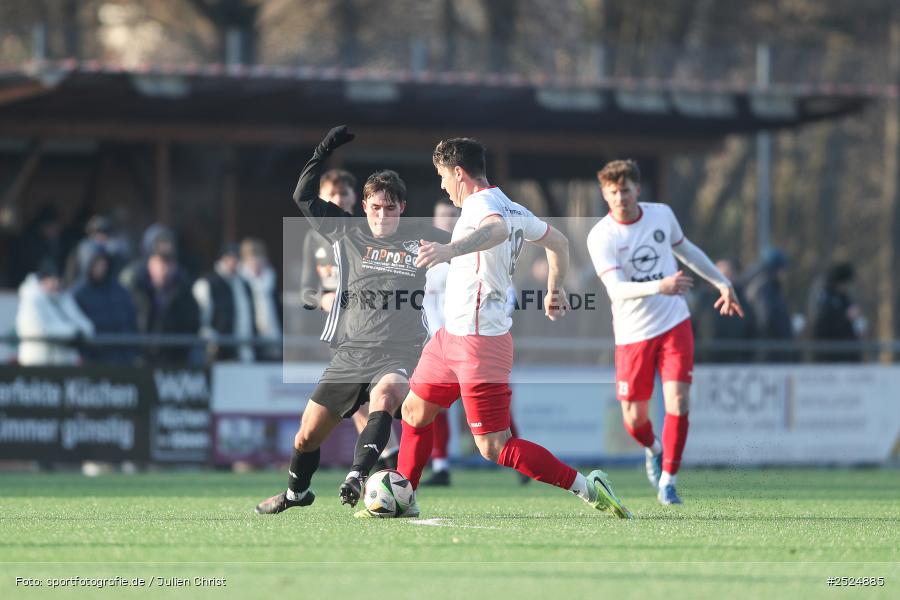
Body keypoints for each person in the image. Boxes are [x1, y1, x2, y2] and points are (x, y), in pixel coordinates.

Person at [387, 137, 633, 520]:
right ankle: (404, 497)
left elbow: (497, 231)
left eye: (441, 177)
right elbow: (559, 242)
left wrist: (449, 251)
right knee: (415, 411)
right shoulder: (511, 204)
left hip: (480, 342)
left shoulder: (483, 207)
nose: (441, 186)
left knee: (493, 446)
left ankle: (588, 487)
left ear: (458, 173)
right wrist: (555, 288)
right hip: (451, 335)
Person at [255, 125, 450, 515]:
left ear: (402, 209)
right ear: (364, 208)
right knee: (307, 436)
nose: (382, 216)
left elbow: (475, 243)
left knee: (385, 398)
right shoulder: (348, 230)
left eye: (390, 209)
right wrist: (324, 148)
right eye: (376, 208)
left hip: (401, 349)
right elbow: (302, 195)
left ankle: (358, 476)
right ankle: (296, 494)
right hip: (350, 352)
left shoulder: (421, 235)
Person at [586, 159, 744, 505]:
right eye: (613, 192)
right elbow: (616, 290)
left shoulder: (661, 215)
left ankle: (668, 481)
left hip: (673, 323)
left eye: (625, 191)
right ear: (604, 193)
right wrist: (662, 285)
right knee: (634, 420)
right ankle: (654, 449)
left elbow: (686, 251)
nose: (620, 198)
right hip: (632, 334)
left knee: (679, 400)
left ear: (637, 190)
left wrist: (721, 282)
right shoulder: (601, 235)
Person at [298, 168, 401, 466]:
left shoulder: (369, 229)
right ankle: (387, 461)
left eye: (343, 194)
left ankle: (388, 461)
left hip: (376, 328)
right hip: (340, 330)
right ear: (321, 199)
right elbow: (306, 292)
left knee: (368, 401)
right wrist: (322, 299)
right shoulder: (314, 238)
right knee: (357, 406)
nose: (338, 199)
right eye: (331, 195)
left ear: (356, 198)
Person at [125, 245, 200, 365]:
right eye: (160, 263)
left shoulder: (184, 291)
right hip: (142, 359)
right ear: (150, 264)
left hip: (175, 361)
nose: (164, 269)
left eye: (168, 264)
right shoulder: (135, 289)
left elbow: (192, 325)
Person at [16, 259, 95, 366]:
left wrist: (80, 332)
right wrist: (73, 333)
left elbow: (85, 325)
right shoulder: (32, 299)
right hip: (37, 363)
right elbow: (41, 330)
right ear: (42, 280)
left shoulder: (64, 298)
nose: (56, 284)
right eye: (52, 280)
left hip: (63, 363)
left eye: (58, 279)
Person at [71, 243, 139, 365]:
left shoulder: (119, 290)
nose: (101, 267)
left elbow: (130, 320)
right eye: (96, 263)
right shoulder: (77, 294)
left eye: (103, 262)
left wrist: (132, 352)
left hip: (123, 360)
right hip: (93, 362)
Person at [193, 244, 256, 362]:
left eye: (236, 258)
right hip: (216, 355)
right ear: (221, 259)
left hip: (242, 354)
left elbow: (249, 321)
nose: (233, 262)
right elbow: (200, 321)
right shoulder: (207, 284)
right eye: (229, 258)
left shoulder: (243, 285)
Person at [692, 258, 756, 363]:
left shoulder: (744, 301)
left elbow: (752, 331)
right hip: (706, 364)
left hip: (738, 363)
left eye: (727, 274)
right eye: (718, 275)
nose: (723, 279)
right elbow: (693, 328)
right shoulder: (702, 301)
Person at [809, 262, 863, 362]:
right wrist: (846, 317)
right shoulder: (825, 300)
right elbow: (822, 327)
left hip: (849, 355)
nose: (847, 286)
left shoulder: (844, 298)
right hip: (831, 358)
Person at [239, 238, 283, 361]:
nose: (256, 263)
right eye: (251, 259)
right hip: (250, 334)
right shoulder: (240, 282)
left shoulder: (271, 281)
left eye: (259, 258)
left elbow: (278, 310)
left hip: (273, 335)